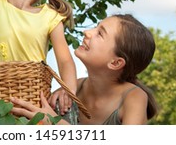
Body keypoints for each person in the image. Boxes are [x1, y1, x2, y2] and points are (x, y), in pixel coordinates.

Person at [10, 14, 158, 125]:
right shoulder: (68, 91)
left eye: (100, 33)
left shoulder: (134, 98)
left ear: (115, 63)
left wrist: (55, 123)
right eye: (96, 27)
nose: (87, 32)